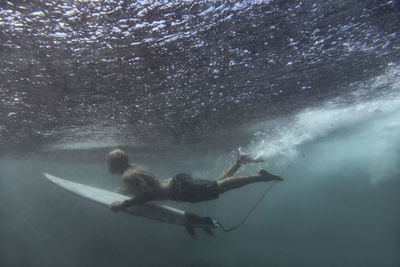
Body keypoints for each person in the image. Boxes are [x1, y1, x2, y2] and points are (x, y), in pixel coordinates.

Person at [107, 149, 283, 211]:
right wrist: (127, 191)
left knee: (219, 186)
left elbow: (148, 195)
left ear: (114, 163)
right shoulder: (134, 168)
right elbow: (149, 186)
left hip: (178, 190)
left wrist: (125, 204)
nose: (107, 165)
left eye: (108, 162)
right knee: (217, 183)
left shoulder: (127, 176)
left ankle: (261, 177)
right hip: (177, 183)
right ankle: (241, 160)